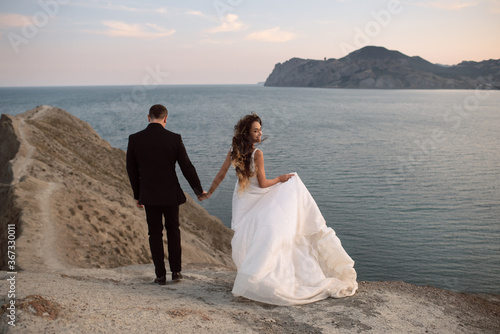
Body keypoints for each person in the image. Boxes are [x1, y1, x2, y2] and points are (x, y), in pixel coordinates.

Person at [199, 113, 358, 305]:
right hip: (256, 195)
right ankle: (258, 274)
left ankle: (252, 274)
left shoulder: (234, 150)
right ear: (247, 133)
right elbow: (264, 183)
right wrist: (281, 178)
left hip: (242, 198)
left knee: (245, 234)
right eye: (256, 130)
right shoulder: (257, 154)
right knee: (266, 225)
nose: (260, 133)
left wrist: (208, 193)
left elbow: (221, 174)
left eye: (260, 130)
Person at [126, 104, 206, 285]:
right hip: (170, 194)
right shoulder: (174, 139)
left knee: (154, 233)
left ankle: (160, 275)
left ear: (148, 118)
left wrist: (137, 195)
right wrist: (198, 190)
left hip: (149, 195)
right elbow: (187, 166)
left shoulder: (135, 139)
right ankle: (176, 272)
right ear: (165, 119)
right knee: (173, 231)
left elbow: (131, 170)